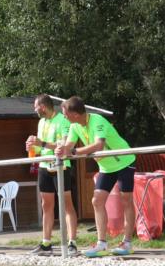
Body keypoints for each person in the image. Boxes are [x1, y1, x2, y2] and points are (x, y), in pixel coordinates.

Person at [56, 96, 137, 257]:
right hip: (106, 167)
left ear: (75, 114)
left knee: (126, 200)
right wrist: (61, 150)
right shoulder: (74, 126)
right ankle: (101, 243)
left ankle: (127, 242)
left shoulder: (97, 120)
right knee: (97, 201)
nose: (64, 116)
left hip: (124, 161)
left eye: (65, 113)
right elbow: (69, 147)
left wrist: (73, 152)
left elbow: (99, 144)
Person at [25, 94, 79, 255]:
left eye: (36, 107)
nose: (35, 110)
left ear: (43, 106)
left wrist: (40, 143)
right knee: (46, 205)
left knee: (67, 204)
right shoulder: (41, 122)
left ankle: (72, 243)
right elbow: (41, 148)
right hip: (44, 165)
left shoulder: (62, 120)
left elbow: (63, 145)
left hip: (61, 165)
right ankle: (46, 243)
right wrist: (31, 147)